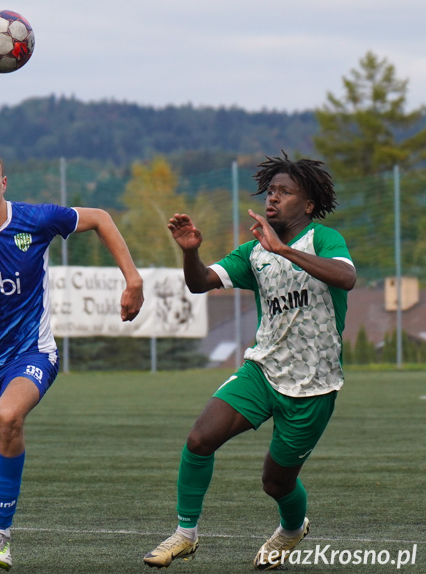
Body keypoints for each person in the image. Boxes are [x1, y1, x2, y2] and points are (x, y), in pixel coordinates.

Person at [0, 145, 145, 571]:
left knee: (8, 418)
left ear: (3, 184)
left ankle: (0, 536)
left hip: (31, 353)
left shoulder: (34, 220)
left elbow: (101, 219)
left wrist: (133, 280)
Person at [143, 152, 356, 570]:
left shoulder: (323, 239)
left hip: (313, 386)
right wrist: (190, 252)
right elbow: (201, 282)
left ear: (308, 204)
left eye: (285, 192)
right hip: (262, 371)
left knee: (276, 482)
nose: (273, 198)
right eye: (270, 191)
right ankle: (185, 534)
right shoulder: (254, 252)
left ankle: (292, 530)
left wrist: (285, 250)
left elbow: (346, 277)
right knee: (199, 439)